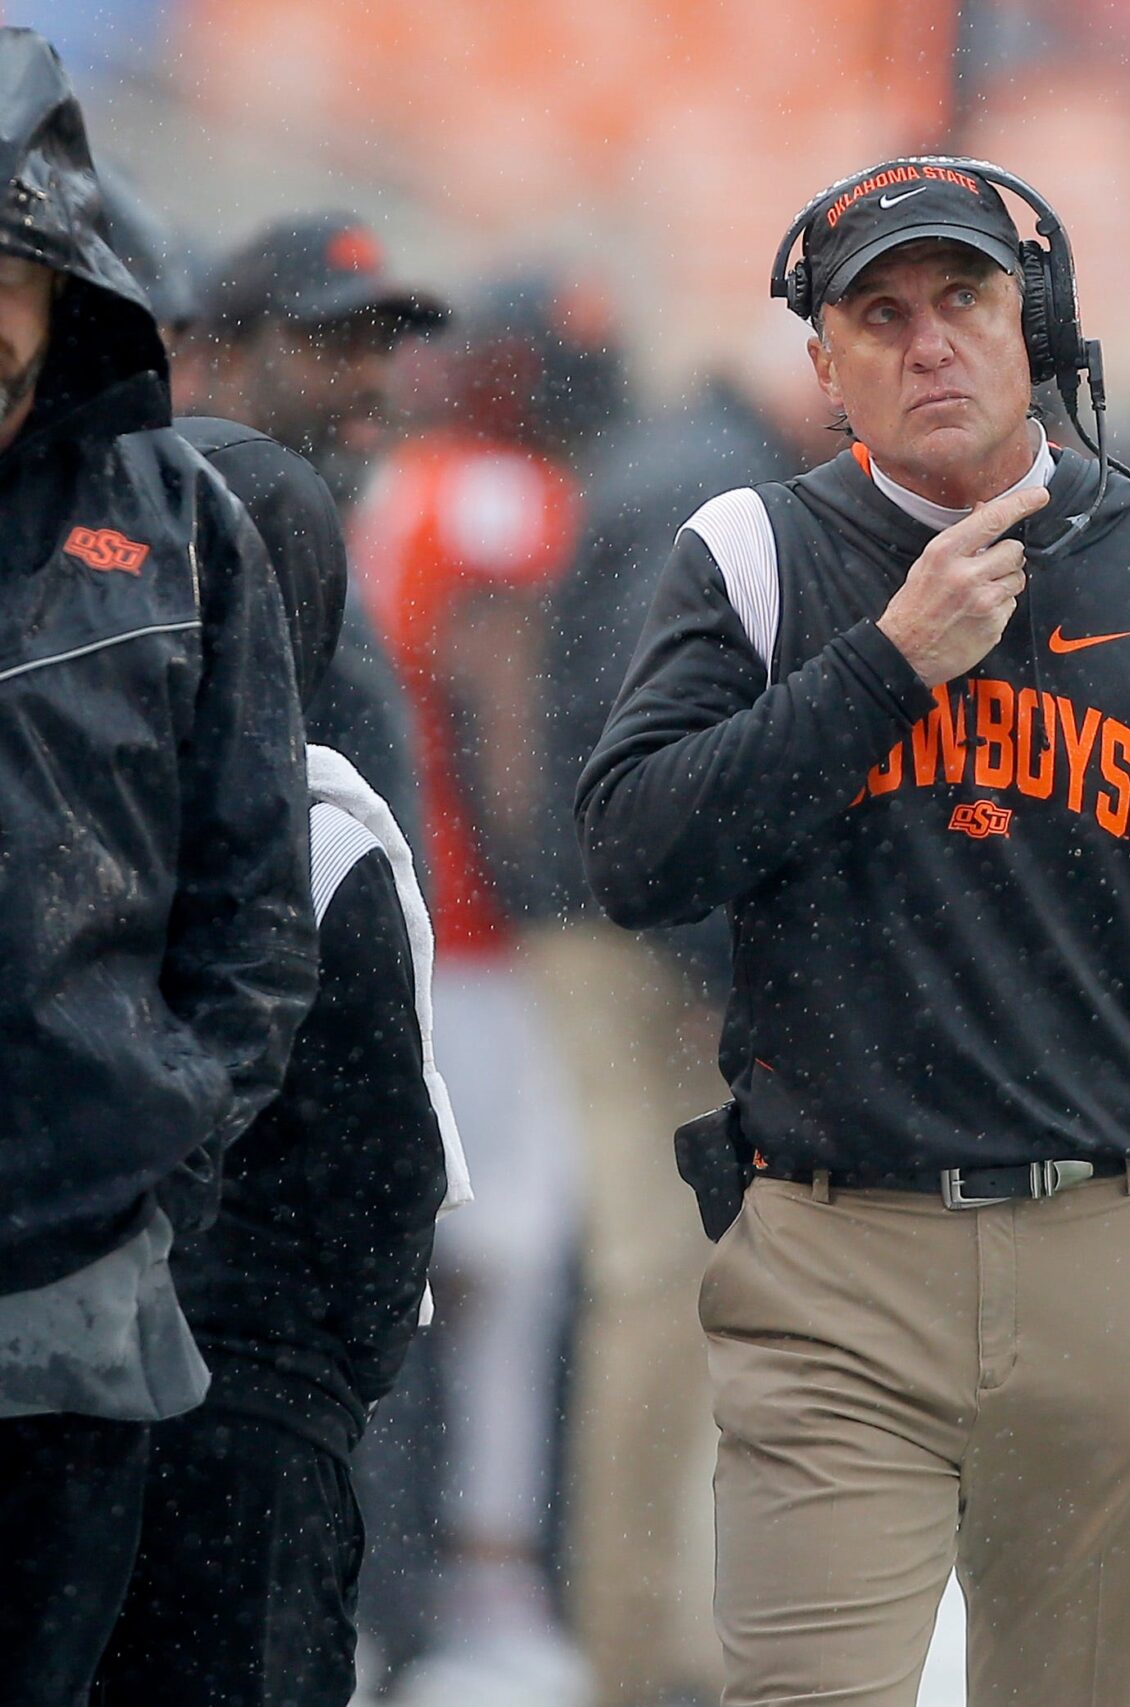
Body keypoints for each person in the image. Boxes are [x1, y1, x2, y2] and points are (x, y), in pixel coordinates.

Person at [577, 154, 1130, 1706]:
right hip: (833, 1260)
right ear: (825, 364)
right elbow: (634, 855)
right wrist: (885, 664)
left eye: (963, 299)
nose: (927, 340)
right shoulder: (751, 559)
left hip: (1120, 1259)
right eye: (879, 313)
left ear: (1042, 330)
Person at [0, 29, 317, 1704]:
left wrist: (152, 1148)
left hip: (69, 1292)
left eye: (7, 260)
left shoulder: (184, 526)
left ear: (62, 285)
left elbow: (253, 908)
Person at [89, 395, 469, 1707]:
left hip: (78, 1385)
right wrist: (324, 1383)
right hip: (250, 1411)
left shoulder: (58, 808)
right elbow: (388, 1184)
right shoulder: (325, 840)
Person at [537, 336, 822, 1707]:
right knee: (665, 1283)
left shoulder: (703, 467)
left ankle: (665, 1634)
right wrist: (714, 951)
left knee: (687, 1285)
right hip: (636, 945)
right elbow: (628, 758)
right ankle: (641, 1646)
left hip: (634, 932)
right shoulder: (702, 489)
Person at [354, 282, 603, 1707]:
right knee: (506, 1263)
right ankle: (485, 1574)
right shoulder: (501, 498)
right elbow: (502, 717)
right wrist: (555, 878)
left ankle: (406, 1581)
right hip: (480, 934)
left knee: (427, 1264)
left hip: (403, 912)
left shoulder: (402, 481)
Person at [190, 209, 446, 843]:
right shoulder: (169, 548)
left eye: (383, 346)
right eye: (333, 343)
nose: (371, 379)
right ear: (227, 357)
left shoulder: (311, 548)